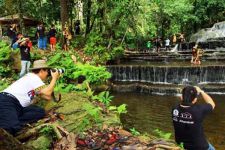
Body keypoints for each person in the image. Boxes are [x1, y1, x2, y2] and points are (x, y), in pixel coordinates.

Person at [0, 60, 60, 135]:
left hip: (18, 106)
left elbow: (47, 97)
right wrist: (54, 78)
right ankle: (11, 123)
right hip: (7, 101)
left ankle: (11, 119)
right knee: (11, 127)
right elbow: (47, 92)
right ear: (41, 71)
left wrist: (53, 81)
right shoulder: (34, 78)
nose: (48, 74)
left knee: (39, 112)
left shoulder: (31, 78)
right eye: (47, 71)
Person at [172, 86, 215, 150]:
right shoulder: (199, 110)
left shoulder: (174, 109)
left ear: (181, 97)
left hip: (181, 145)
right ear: (195, 100)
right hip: (199, 147)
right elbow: (212, 104)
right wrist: (201, 91)